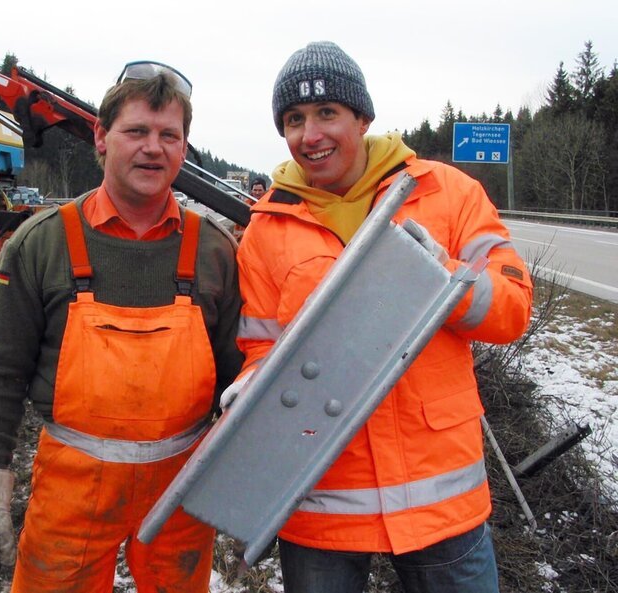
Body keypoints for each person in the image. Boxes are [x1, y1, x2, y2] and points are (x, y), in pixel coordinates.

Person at [223, 42, 534, 593]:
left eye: (326, 112)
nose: (310, 134)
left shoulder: (446, 193)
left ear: (362, 118)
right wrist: (251, 388)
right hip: (321, 501)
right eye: (294, 120)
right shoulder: (266, 229)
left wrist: (442, 277)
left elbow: (512, 311)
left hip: (440, 500)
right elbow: (262, 347)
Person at [0, 61, 243, 593]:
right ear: (101, 137)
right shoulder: (41, 243)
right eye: (136, 131)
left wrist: (250, 483)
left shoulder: (214, 250)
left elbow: (238, 379)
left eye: (169, 135)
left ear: (184, 148)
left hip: (180, 490)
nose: (153, 148)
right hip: (71, 487)